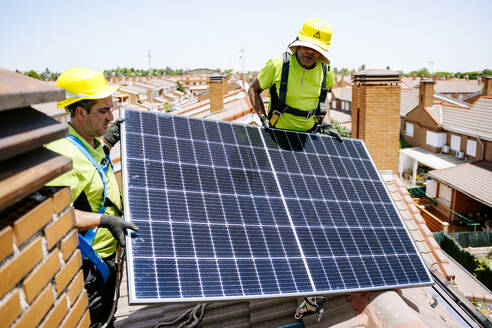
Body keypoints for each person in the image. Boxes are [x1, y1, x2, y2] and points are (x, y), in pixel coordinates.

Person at [46, 67, 138, 328]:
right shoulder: (62, 155)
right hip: (89, 271)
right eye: (103, 110)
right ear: (80, 113)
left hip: (107, 263)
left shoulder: (91, 142)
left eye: (111, 108)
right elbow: (53, 214)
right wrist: (104, 221)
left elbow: (91, 168)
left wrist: (108, 141)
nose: (111, 116)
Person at [248, 17, 342, 140]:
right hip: (278, 133)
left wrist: (327, 124)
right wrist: (263, 118)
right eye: (306, 46)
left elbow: (323, 98)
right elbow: (253, 90)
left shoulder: (325, 70)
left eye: (316, 49)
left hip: (309, 135)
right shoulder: (278, 64)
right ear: (298, 45)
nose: (310, 52)